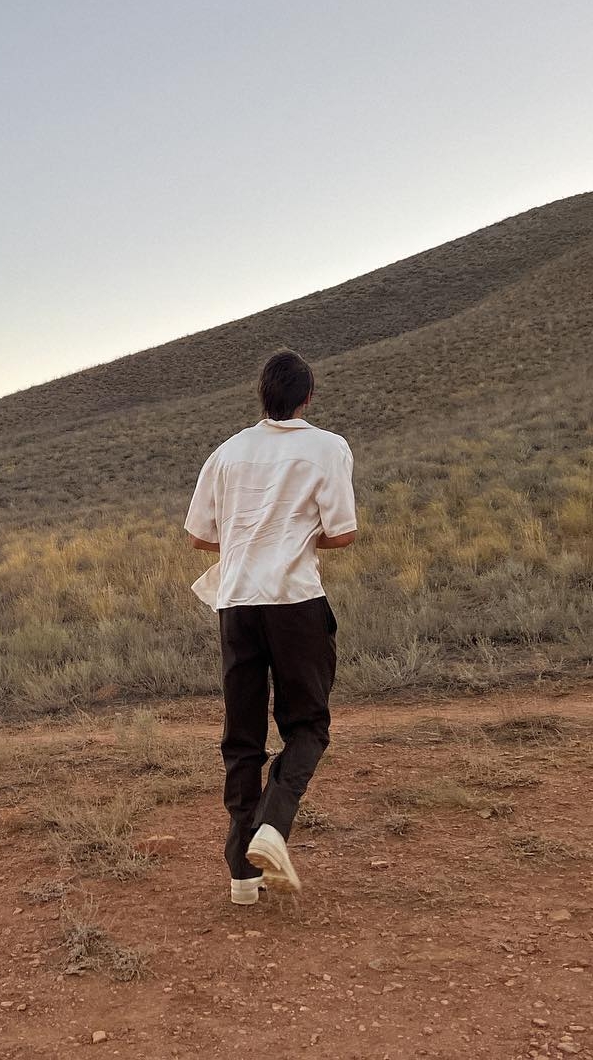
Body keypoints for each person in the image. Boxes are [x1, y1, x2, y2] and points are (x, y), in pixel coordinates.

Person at [183, 349, 357, 905]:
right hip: (295, 602)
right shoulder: (327, 447)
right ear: (308, 397)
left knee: (243, 737)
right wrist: (295, 536)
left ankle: (242, 872)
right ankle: (273, 826)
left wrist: (248, 538)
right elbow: (342, 533)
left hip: (236, 604)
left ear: (262, 395)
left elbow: (199, 536)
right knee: (308, 725)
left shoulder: (227, 453)